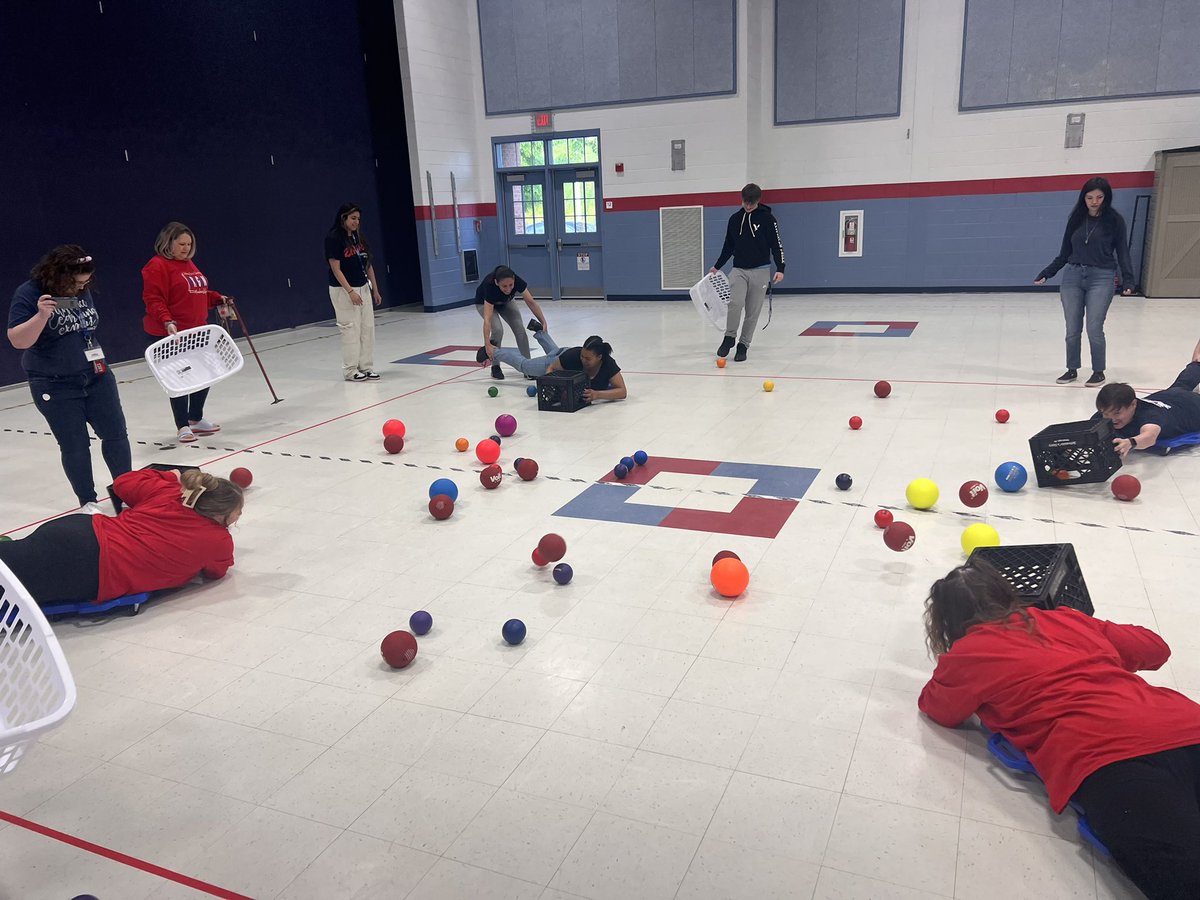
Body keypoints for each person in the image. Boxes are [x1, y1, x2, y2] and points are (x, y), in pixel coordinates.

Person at [919, 562, 1200, 900]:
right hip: (1184, 723)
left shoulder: (966, 656)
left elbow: (936, 707)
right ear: (1009, 594)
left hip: (1106, 759)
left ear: (947, 622)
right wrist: (1090, 648)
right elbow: (1156, 648)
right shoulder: (1066, 618)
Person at [6, 246, 132, 514]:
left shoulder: (82, 291)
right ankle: (87, 502)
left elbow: (84, 327)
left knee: (116, 435)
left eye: (86, 283)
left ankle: (127, 492)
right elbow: (18, 340)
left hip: (96, 376)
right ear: (58, 275)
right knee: (75, 444)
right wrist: (40, 316)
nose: (81, 288)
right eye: (76, 283)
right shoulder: (28, 293)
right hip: (54, 383)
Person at [0, 467, 241, 607]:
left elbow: (123, 483)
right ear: (221, 514)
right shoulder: (218, 541)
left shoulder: (169, 494)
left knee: (11, 564)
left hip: (81, 529)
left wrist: (171, 477)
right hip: (91, 566)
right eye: (237, 511)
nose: (240, 514)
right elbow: (216, 572)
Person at [1034, 176, 1136, 387]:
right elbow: (1064, 252)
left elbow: (1123, 252)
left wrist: (1128, 280)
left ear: (1106, 197)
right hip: (1073, 275)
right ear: (1083, 198)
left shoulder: (1114, 221)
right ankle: (1072, 369)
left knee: (1094, 327)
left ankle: (1098, 371)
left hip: (1102, 277)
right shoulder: (1077, 219)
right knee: (1072, 328)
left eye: (1099, 197)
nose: (1094, 201)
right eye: (1090, 197)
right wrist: (1048, 272)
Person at [142, 222, 232, 443]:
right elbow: (154, 299)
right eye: (181, 244)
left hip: (197, 332)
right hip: (171, 333)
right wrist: (167, 320)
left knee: (205, 374)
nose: (185, 248)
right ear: (168, 243)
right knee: (179, 378)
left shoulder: (189, 264)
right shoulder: (157, 266)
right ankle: (182, 425)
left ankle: (195, 418)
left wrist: (216, 298)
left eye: (189, 244)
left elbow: (196, 293)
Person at [709, 183, 785, 362]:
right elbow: (728, 245)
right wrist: (717, 266)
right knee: (735, 303)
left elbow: (777, 245)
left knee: (753, 310)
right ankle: (729, 338)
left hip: (761, 271)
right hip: (739, 270)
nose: (748, 206)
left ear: (758, 200)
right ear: (742, 199)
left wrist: (781, 268)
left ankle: (743, 345)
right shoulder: (734, 219)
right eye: (745, 202)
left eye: (752, 202)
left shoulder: (768, 219)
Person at [1093, 338, 1200, 457]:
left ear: (1133, 404)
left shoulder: (1149, 416)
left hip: (1193, 407)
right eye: (1106, 414)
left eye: (1117, 413)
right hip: (1171, 394)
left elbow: (1149, 437)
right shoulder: (1106, 413)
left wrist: (1131, 443)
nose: (1112, 419)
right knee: (1195, 365)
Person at [483, 327, 626, 402]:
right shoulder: (574, 357)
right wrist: (551, 384)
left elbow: (622, 392)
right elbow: (551, 368)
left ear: (599, 357)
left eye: (588, 359)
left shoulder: (608, 364)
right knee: (525, 366)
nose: (583, 360)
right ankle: (493, 350)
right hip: (560, 359)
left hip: (562, 355)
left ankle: (540, 332)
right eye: (582, 356)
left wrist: (597, 395)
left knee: (553, 352)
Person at [326, 203, 383, 382]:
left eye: (358, 219)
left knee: (367, 328)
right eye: (352, 218)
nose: (356, 222)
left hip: (363, 287)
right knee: (350, 329)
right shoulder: (334, 238)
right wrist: (350, 291)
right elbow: (336, 269)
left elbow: (368, 263)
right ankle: (350, 370)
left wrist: (375, 289)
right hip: (343, 290)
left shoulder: (358, 238)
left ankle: (366, 366)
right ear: (343, 218)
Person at [477, 265, 548, 380]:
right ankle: (495, 366)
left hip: (505, 302)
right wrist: (487, 344)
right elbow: (488, 318)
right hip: (484, 304)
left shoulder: (517, 281)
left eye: (511, 285)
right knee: (498, 330)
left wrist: (543, 321)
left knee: (519, 329)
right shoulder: (489, 286)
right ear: (496, 282)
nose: (508, 289)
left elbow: (531, 302)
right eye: (504, 286)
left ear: (514, 279)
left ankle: (528, 368)